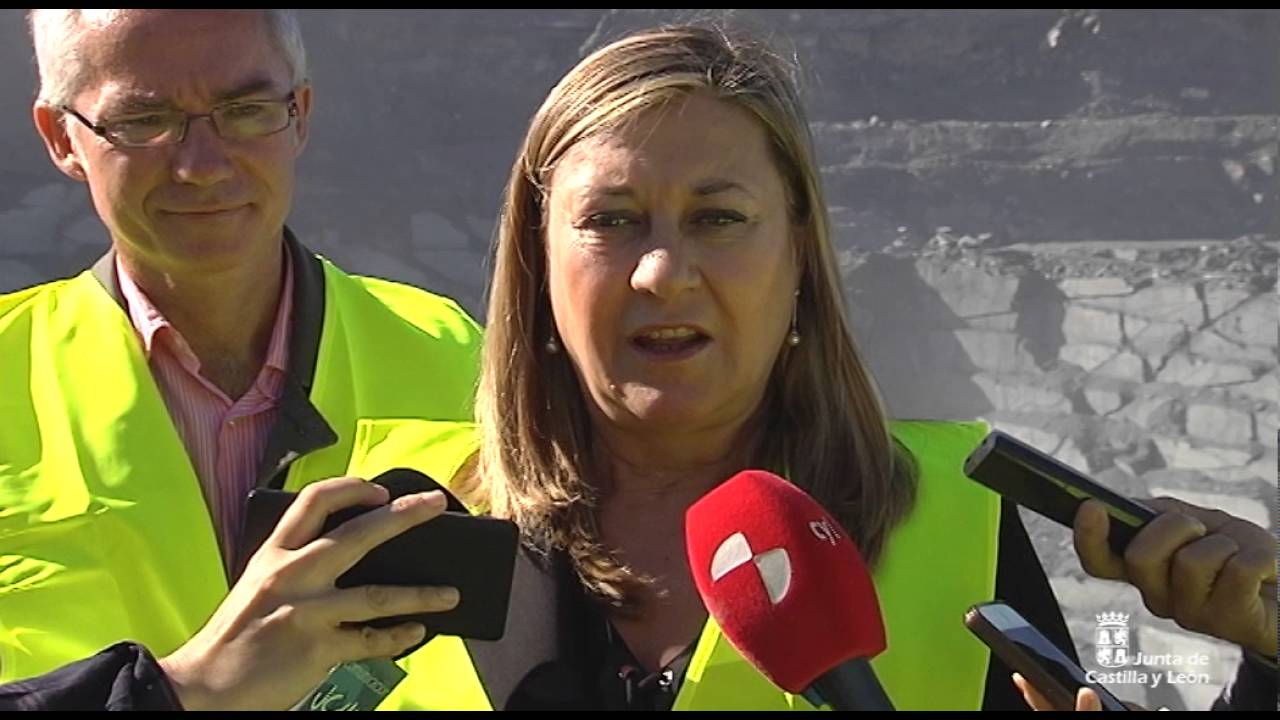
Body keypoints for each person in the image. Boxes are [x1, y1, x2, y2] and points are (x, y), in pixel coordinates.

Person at [371, 24, 1276, 711]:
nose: (662, 270)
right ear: (537, 263)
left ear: (800, 258)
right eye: (610, 220)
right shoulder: (390, 521)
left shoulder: (955, 529)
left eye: (718, 218)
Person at [0, 9, 482, 710]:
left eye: (246, 110)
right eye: (143, 120)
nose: (201, 165)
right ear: (61, 138)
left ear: (301, 115)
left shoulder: (463, 362)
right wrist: (183, 690)